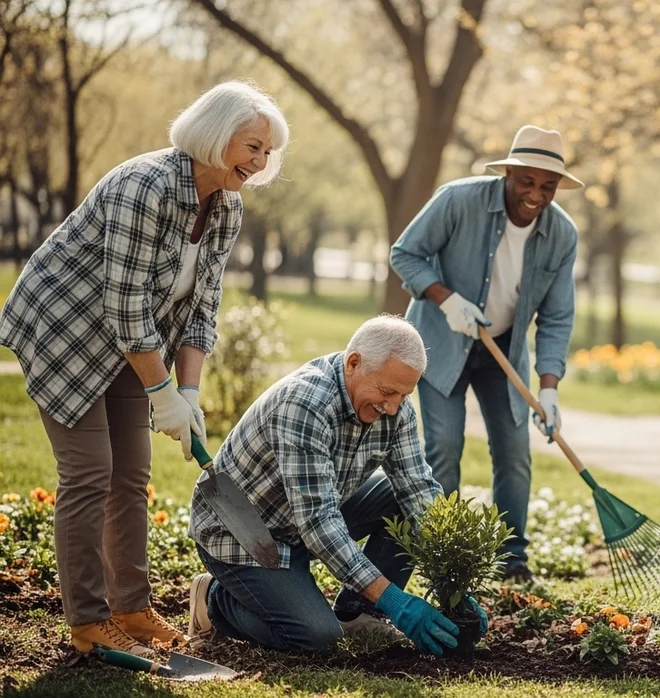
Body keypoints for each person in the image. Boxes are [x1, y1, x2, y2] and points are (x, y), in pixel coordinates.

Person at [0, 81, 288, 656]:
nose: (259, 164)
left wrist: (188, 392)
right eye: (251, 147)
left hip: (135, 343)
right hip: (69, 334)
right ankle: (87, 622)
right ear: (213, 133)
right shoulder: (146, 186)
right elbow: (125, 302)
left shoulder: (225, 208)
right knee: (89, 474)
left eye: (266, 152)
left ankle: (130, 609)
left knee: (131, 475)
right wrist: (160, 392)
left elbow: (203, 307)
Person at [186, 316, 484, 655]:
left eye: (404, 394)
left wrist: (453, 582)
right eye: (387, 391)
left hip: (304, 520)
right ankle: (215, 599)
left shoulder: (395, 409)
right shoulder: (305, 403)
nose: (393, 407)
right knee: (316, 637)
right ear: (354, 362)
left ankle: (357, 612)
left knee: (404, 499)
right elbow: (319, 523)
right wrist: (394, 601)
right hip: (245, 535)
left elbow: (419, 490)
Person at [389, 125, 580, 583]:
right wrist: (446, 299)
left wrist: (549, 390)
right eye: (527, 182)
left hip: (504, 352)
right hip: (440, 342)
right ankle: (442, 559)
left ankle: (511, 560)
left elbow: (557, 318)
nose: (535, 194)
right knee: (445, 448)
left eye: (547, 186)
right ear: (508, 172)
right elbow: (405, 254)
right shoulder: (458, 200)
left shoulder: (562, 235)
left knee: (514, 453)